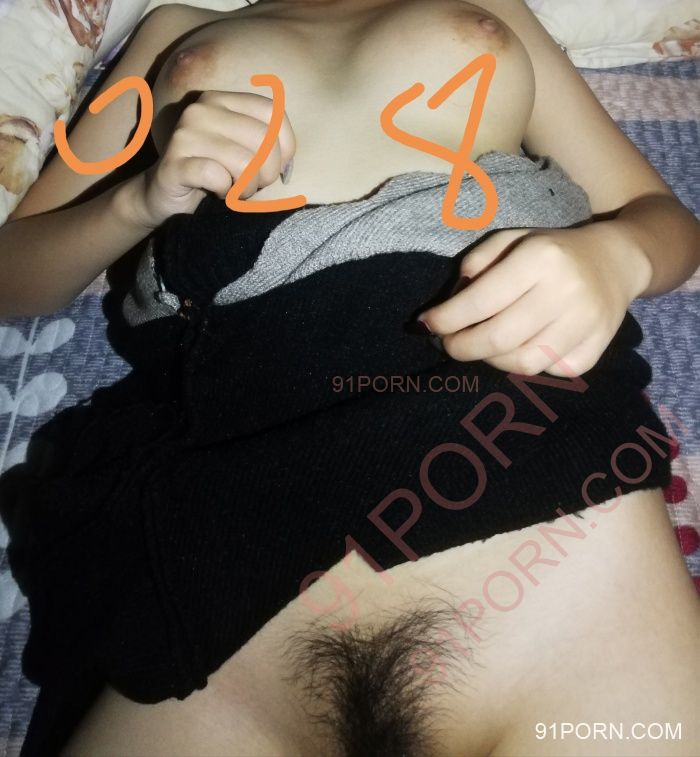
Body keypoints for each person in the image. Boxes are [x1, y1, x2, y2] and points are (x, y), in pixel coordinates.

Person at [0, 0, 698, 755]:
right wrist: (140, 200)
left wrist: (616, 256)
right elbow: (14, 278)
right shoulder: (174, 30)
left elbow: (659, 215)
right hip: (224, 566)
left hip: (541, 507)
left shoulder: (490, 7)